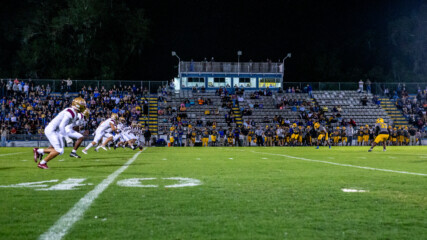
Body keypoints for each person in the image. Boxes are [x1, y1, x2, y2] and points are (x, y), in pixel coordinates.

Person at [33, 97, 86, 169]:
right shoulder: (70, 113)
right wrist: (67, 137)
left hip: (56, 131)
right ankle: (42, 163)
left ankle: (39, 151)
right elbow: (61, 126)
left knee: (61, 151)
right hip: (52, 130)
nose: (84, 106)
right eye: (82, 104)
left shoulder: (74, 113)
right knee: (58, 150)